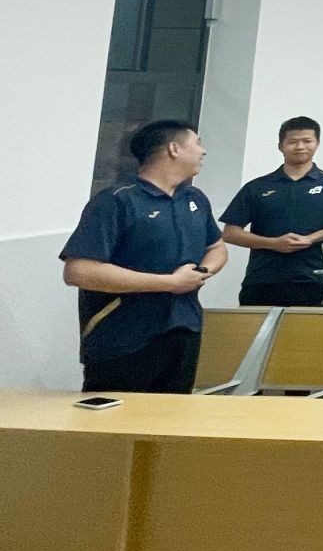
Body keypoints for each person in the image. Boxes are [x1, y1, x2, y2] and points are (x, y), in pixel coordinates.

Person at [60, 119, 227, 393]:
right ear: (174, 149)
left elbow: (217, 247)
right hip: (123, 337)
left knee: (172, 415)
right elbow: (79, 271)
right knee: (117, 417)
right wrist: (169, 283)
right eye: (197, 143)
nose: (203, 151)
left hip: (184, 329)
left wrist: (202, 272)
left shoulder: (195, 199)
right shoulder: (116, 200)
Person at [221, 115, 323, 307]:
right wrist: (273, 243)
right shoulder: (257, 186)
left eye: (307, 141)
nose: (300, 147)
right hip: (261, 279)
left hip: (309, 278)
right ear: (280, 146)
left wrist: (312, 238)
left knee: (305, 327)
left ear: (317, 144)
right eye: (292, 142)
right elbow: (230, 233)